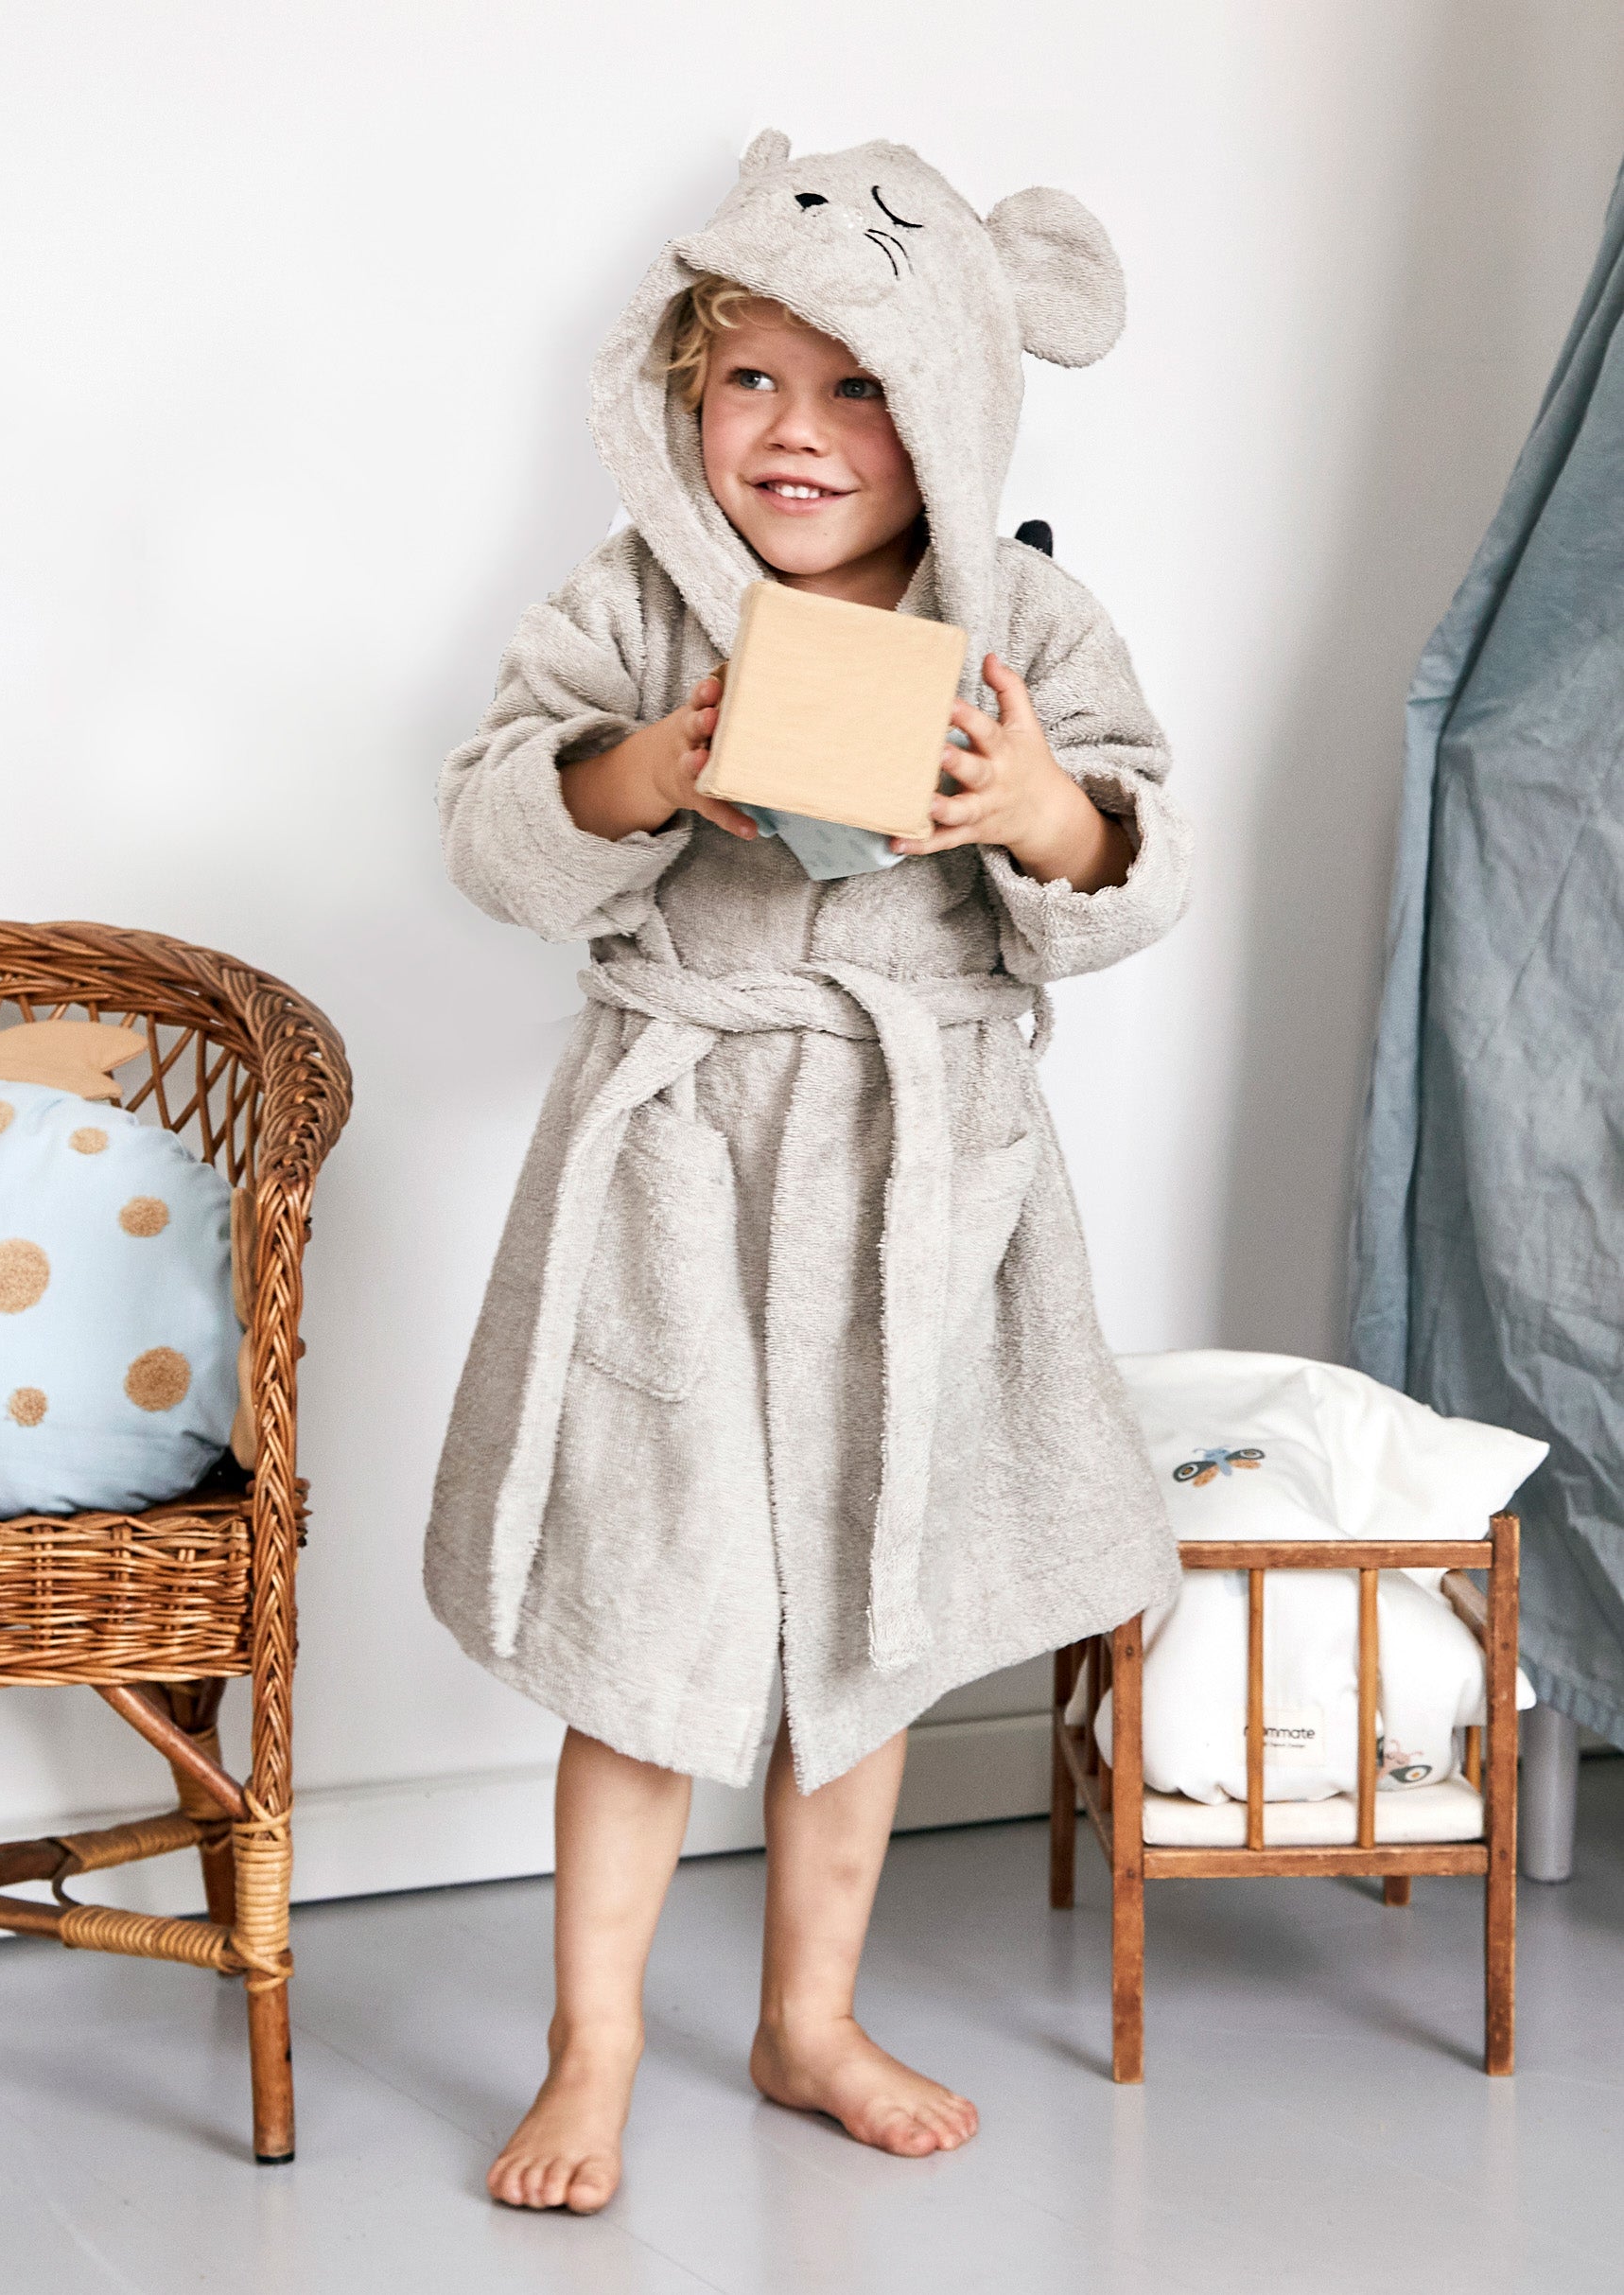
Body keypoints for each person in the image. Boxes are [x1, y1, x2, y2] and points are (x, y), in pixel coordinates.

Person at [426, 133, 1193, 2214]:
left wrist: (1036, 806)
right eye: (753, 378)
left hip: (917, 1169)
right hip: (683, 1155)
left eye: (860, 385)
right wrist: (654, 764)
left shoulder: (1024, 612)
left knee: (875, 1603)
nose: (798, 431)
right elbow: (496, 820)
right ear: (684, 392)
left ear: (949, 399)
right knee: (647, 1614)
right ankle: (591, 2048)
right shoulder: (635, 602)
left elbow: (1136, 860)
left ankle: (810, 2016)